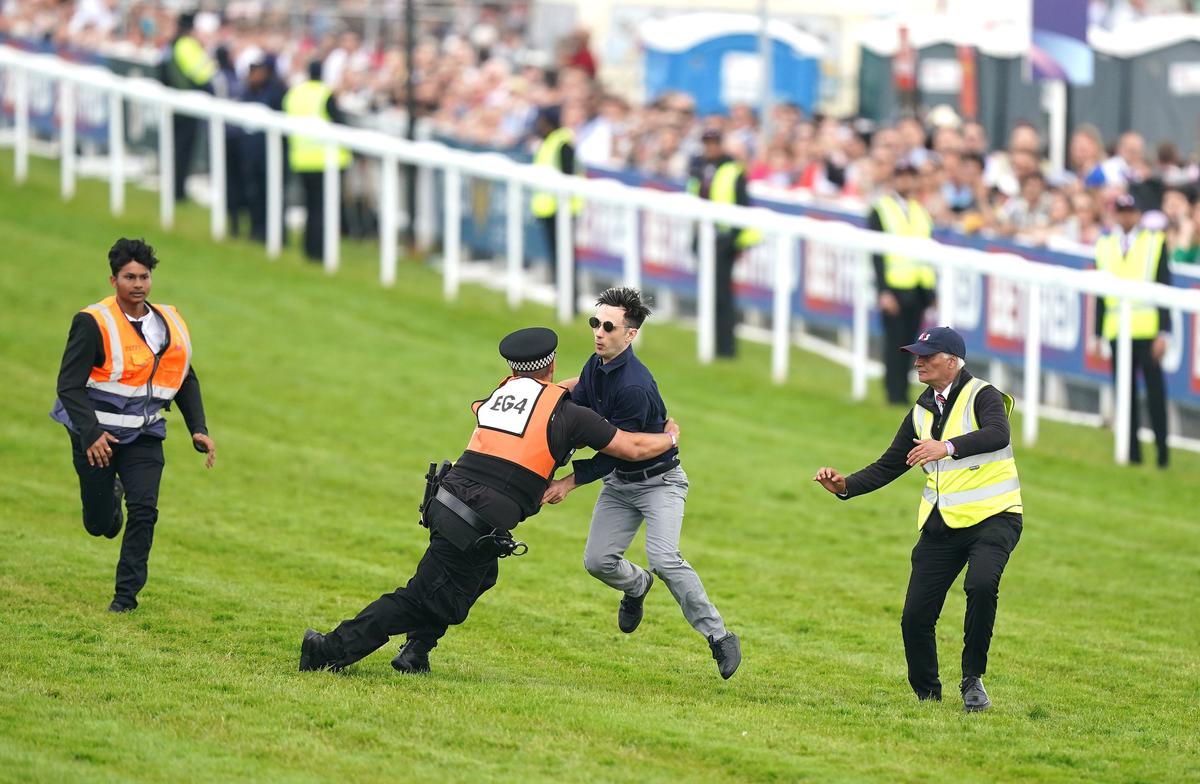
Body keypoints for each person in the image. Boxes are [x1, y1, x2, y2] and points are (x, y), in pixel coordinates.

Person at [299, 327, 681, 674]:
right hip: (473, 521)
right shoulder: (570, 416)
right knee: (418, 598)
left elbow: (551, 391)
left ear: (514, 369)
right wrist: (670, 437)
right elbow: (630, 447)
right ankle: (327, 650)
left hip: (446, 502)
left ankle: (416, 652)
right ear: (551, 363)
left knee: (481, 575)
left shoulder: (501, 393)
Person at [813, 327, 1023, 712]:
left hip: (995, 517)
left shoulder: (984, 395)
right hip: (942, 524)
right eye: (917, 354)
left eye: (927, 355)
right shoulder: (921, 410)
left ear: (953, 361)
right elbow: (891, 464)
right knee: (914, 618)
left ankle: (973, 680)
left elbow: (997, 433)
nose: (918, 361)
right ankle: (928, 697)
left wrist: (946, 447)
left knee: (980, 586)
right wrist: (845, 486)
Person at [542, 287, 741, 679]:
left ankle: (720, 637)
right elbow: (580, 394)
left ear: (630, 335)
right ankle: (636, 587)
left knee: (665, 559)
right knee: (597, 562)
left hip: (659, 484)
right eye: (594, 323)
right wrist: (542, 393)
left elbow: (620, 449)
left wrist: (569, 481)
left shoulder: (633, 386)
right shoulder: (596, 364)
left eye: (608, 326)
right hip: (620, 483)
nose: (598, 332)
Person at [49, 238, 216, 612]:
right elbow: (69, 385)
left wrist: (198, 428)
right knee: (101, 525)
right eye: (129, 277)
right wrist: (91, 433)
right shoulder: (93, 322)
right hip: (98, 437)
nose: (138, 284)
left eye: (144, 276)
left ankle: (125, 598)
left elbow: (184, 377)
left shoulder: (167, 323)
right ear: (113, 280)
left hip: (144, 435)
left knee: (144, 511)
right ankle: (110, 499)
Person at [1094, 193, 1173, 468]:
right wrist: (1097, 333)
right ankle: (1132, 453)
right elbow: (1101, 293)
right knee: (1123, 394)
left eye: (1131, 211)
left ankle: (1163, 453)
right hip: (1118, 330)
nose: (1126, 216)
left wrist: (1165, 332)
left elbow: (1165, 286)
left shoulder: (1154, 242)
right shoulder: (1105, 244)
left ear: (1138, 214)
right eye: (1122, 211)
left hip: (1147, 330)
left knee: (1155, 394)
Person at [687, 129, 762, 358]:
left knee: (722, 295)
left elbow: (742, 207)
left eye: (713, 143)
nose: (709, 147)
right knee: (709, 293)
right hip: (706, 236)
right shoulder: (700, 168)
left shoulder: (733, 171)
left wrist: (733, 241)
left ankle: (726, 348)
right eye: (706, 143)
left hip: (724, 240)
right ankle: (712, 342)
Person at [868, 161, 936, 404]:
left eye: (911, 177)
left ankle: (903, 392)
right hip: (894, 286)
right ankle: (892, 393)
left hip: (917, 288)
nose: (907, 182)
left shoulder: (920, 210)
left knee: (913, 346)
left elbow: (928, 252)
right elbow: (876, 254)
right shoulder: (881, 209)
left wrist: (931, 291)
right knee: (894, 343)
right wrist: (883, 291)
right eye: (902, 176)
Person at [283, 60, 350, 262]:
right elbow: (340, 123)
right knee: (322, 210)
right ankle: (320, 252)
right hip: (326, 161)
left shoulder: (294, 93)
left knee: (310, 207)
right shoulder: (325, 93)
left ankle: (309, 249)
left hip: (301, 159)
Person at [529, 106, 581, 306]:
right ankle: (563, 299)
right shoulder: (550, 141)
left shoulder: (562, 143)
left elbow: (568, 178)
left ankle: (569, 302)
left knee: (564, 258)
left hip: (562, 211)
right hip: (550, 210)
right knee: (557, 258)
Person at [160, 12, 215, 201]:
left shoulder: (171, 44)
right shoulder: (186, 44)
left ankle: (175, 188)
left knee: (175, 148)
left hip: (173, 102)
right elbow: (204, 75)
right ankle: (178, 191)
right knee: (183, 150)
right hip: (186, 105)